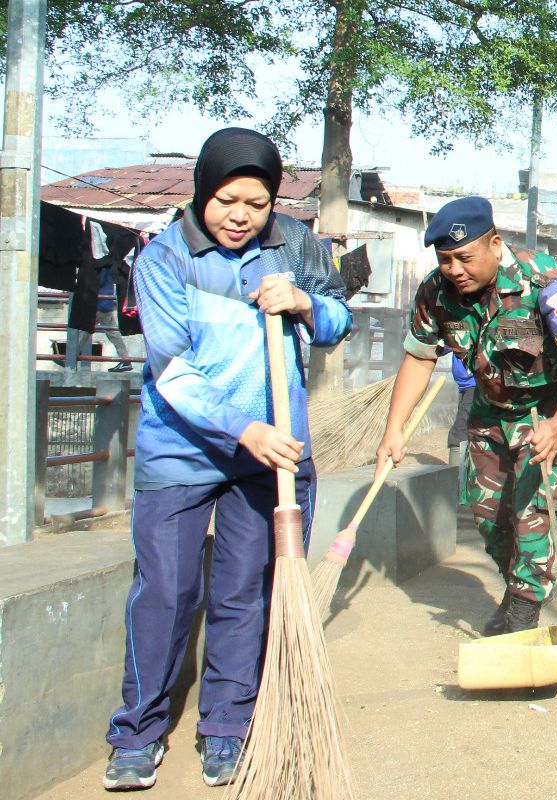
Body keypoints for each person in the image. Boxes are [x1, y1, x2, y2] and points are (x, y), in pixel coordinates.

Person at [103, 127, 352, 791]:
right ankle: (137, 731)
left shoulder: (295, 245)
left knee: (243, 593)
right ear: (201, 192)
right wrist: (246, 429)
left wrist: (304, 303)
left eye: (257, 202)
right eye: (225, 199)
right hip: (184, 450)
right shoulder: (163, 259)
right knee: (167, 591)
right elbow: (171, 369)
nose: (240, 215)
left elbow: (338, 317)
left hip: (267, 457)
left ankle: (227, 728)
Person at [377, 197, 557, 636]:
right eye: (445, 260)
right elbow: (420, 358)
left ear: (494, 244)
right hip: (489, 412)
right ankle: (519, 586)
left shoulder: (542, 280)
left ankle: (523, 616)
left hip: (545, 411)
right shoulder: (436, 293)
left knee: (534, 514)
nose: (454, 269)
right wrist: (394, 429)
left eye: (464, 257)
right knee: (490, 519)